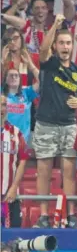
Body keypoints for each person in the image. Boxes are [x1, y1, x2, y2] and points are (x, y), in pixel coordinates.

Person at [32, 15, 77, 229]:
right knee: (43, 170)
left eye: (68, 43)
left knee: (69, 172)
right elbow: (42, 50)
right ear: (56, 46)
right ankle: (44, 216)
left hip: (68, 124)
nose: (65, 46)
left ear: (72, 46)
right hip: (46, 123)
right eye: (62, 43)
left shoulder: (76, 70)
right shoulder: (49, 63)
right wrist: (55, 25)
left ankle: (71, 216)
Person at [1, 94, 29, 228]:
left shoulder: (17, 133)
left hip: (10, 196)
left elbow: (22, 161)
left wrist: (14, 187)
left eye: (4, 104)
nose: (2, 108)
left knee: (12, 240)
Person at [2, 67, 39, 144]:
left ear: (20, 80)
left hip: (22, 141)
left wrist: (30, 65)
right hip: (3, 139)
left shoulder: (26, 93)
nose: (14, 77)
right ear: (5, 79)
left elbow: (42, 81)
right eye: (11, 75)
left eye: (16, 75)